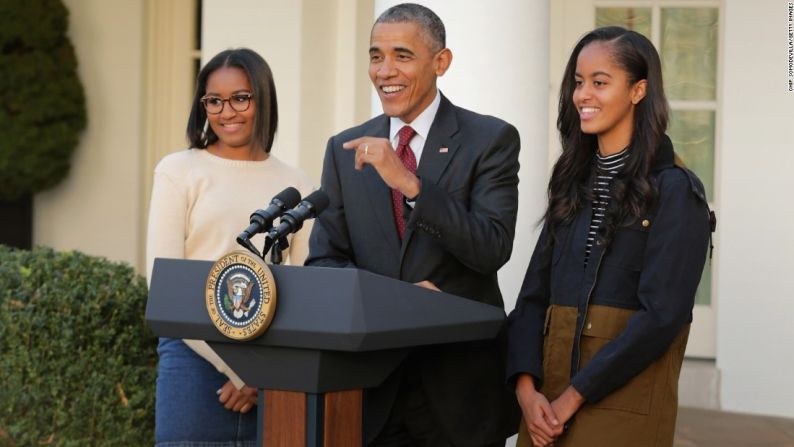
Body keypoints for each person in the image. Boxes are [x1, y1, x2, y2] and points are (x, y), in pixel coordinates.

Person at [305, 3, 521, 446]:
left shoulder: (491, 139)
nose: (385, 70)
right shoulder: (344, 149)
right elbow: (324, 262)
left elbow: (491, 247)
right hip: (371, 392)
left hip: (459, 392)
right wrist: (395, 302)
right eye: (375, 55)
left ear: (440, 62)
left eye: (402, 55)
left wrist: (411, 185)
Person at [505, 27, 713, 447]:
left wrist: (573, 398)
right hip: (545, 406)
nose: (583, 95)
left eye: (600, 82)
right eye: (579, 83)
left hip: (623, 407)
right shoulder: (572, 183)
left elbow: (662, 315)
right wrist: (526, 392)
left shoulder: (675, 191)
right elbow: (531, 297)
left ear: (638, 91)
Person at [146, 48, 314, 446]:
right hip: (192, 359)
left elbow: (306, 287)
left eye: (240, 98)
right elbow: (165, 286)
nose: (227, 112)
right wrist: (241, 372)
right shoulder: (178, 170)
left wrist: (264, 373)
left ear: (262, 99)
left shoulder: (297, 183)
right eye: (214, 101)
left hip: (273, 367)